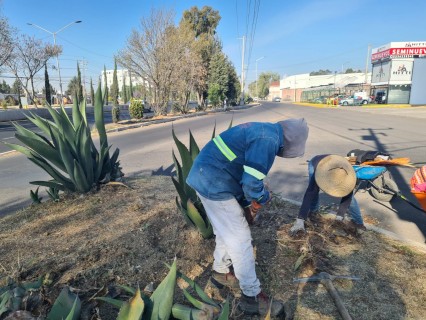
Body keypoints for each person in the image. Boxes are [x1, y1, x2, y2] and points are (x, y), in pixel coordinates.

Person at [186, 119, 309, 317]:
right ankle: (251, 297)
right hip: (214, 183)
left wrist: (247, 205)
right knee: (240, 239)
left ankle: (220, 272)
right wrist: (263, 197)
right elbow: (252, 183)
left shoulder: (264, 131)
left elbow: (242, 173)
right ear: (290, 141)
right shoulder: (267, 140)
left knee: (225, 232)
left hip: (205, 176)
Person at [290, 154, 366, 234]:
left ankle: (359, 224)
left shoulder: (346, 174)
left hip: (336, 164)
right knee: (314, 192)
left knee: (351, 198)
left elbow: (348, 197)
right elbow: (310, 193)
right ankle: (313, 213)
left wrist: (339, 218)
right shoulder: (320, 172)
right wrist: (300, 220)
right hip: (316, 163)